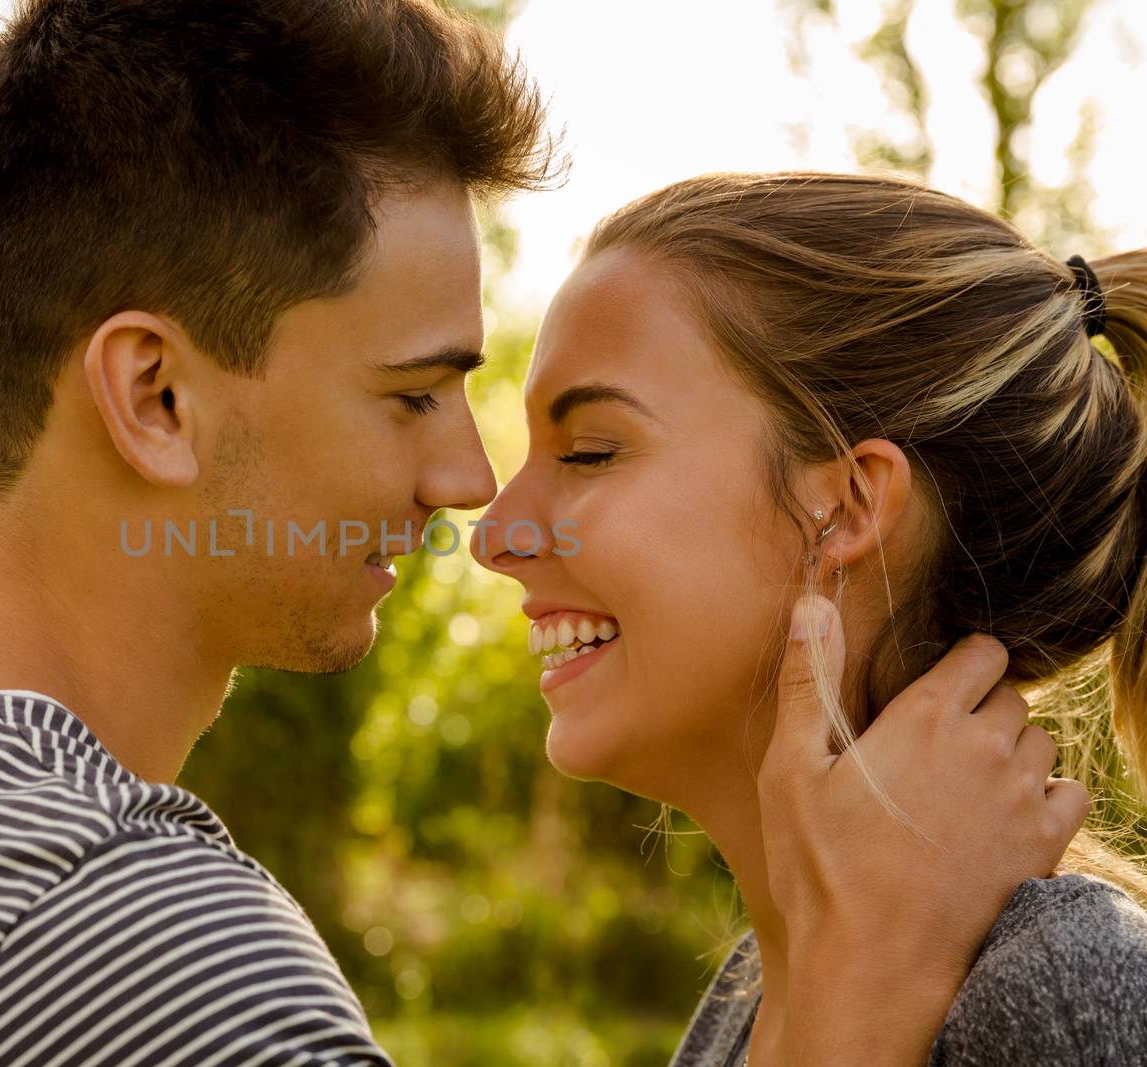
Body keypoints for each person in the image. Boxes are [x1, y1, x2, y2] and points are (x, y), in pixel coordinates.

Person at [0, 2, 1084, 1063]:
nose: (469, 486)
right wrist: (848, 1014)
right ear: (153, 392)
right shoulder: (150, 959)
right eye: (416, 393)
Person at [473, 170, 1147, 1066]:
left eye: (591, 450)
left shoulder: (1064, 995)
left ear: (847, 506)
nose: (492, 533)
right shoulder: (751, 998)